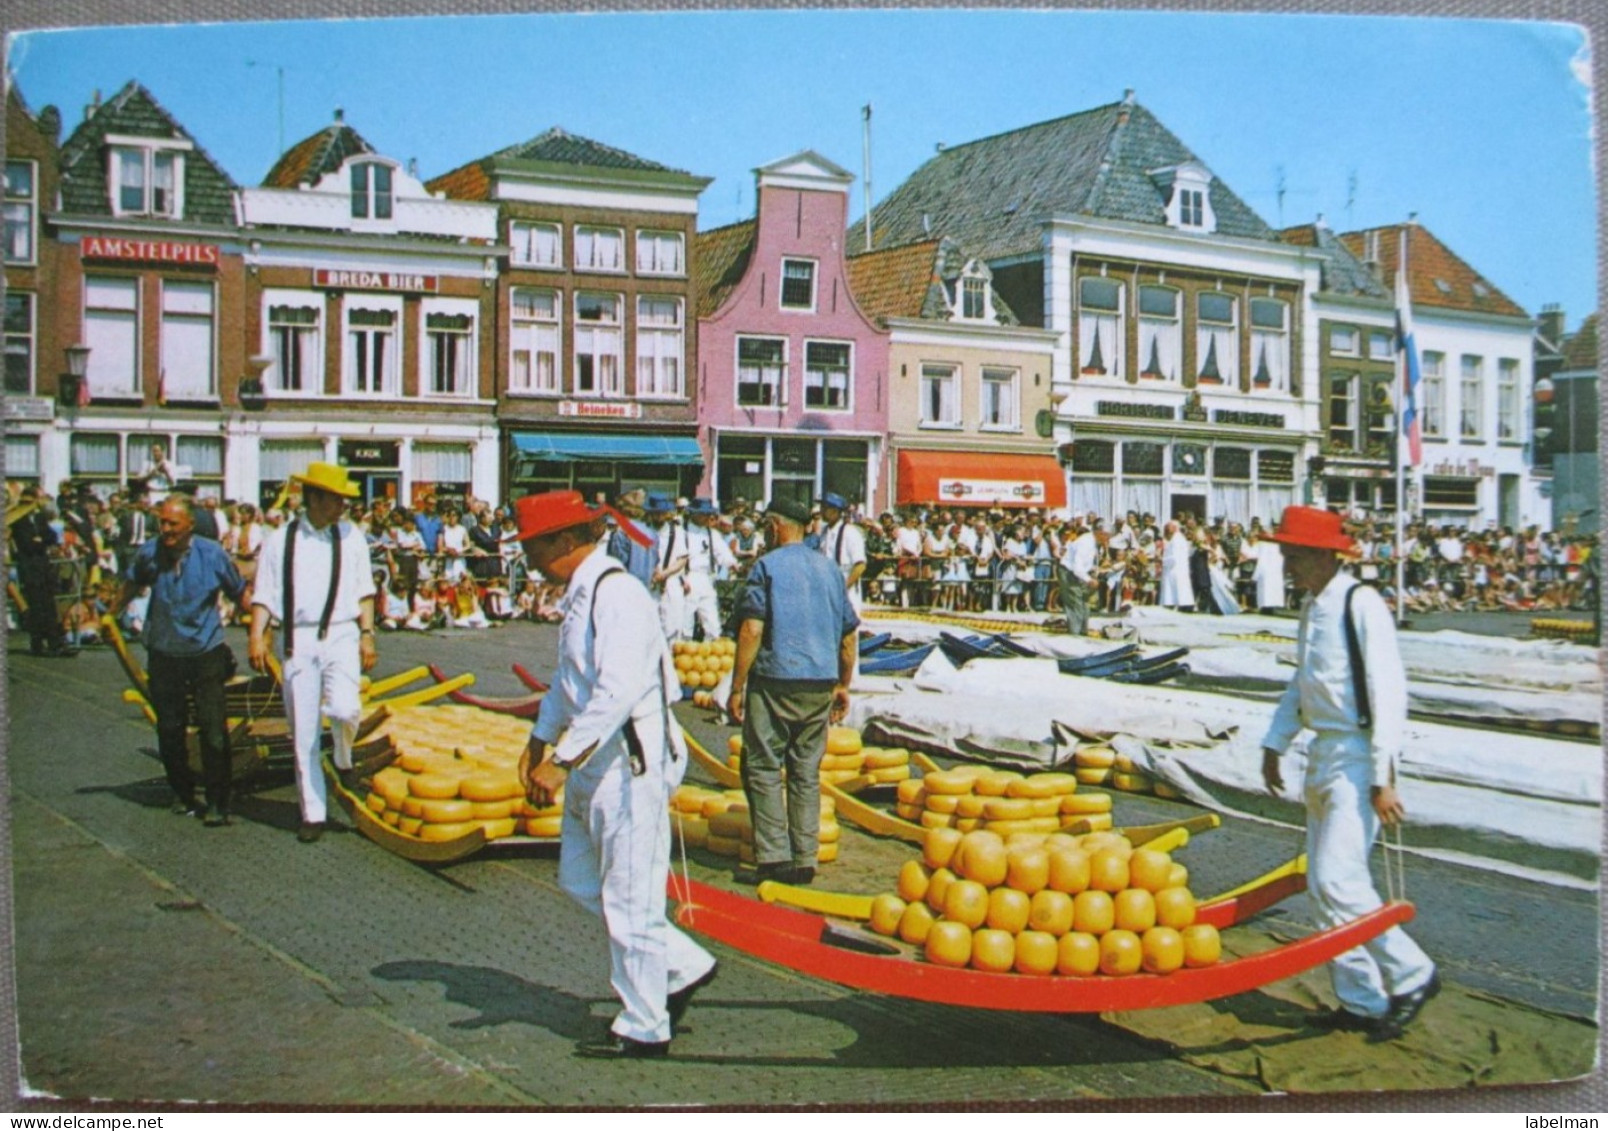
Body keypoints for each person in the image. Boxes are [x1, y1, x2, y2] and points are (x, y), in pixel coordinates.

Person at [515, 490, 716, 1059]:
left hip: (629, 764)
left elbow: (616, 692)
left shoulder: (618, 593)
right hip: (593, 761)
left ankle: (645, 1024)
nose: (527, 556)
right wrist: (538, 739)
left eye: (532, 545)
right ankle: (681, 965)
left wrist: (559, 761)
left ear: (563, 542)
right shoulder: (580, 595)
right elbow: (568, 680)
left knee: (630, 898)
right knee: (581, 881)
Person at [1260, 505, 1439, 1042]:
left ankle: (1413, 973)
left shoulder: (1361, 605)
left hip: (1359, 754)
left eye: (1293, 557)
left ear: (1321, 556)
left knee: (1341, 880)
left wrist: (1383, 776)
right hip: (1323, 752)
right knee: (1324, 887)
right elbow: (1304, 682)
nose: (1287, 567)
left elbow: (1388, 691)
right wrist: (1276, 742)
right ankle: (1361, 998)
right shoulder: (1312, 607)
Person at [726, 496, 859, 887]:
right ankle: (805, 857)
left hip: (774, 680)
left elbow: (751, 630)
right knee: (805, 770)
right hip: (819, 681)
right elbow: (849, 636)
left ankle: (773, 858)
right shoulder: (831, 571)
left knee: (764, 765)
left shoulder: (765, 566)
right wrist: (842, 684)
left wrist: (736, 686)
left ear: (773, 526)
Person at [248, 462, 378, 843]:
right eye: (338, 499)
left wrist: (368, 634)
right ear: (316, 498)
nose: (344, 506)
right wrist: (258, 635)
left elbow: (364, 590)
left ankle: (342, 756)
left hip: (341, 633)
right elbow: (264, 594)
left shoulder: (351, 536)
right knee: (303, 731)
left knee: (345, 708)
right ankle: (313, 812)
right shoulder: (280, 539)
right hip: (298, 640)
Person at [114, 495, 247, 825]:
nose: (166, 529)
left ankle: (217, 802)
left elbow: (239, 591)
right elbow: (132, 583)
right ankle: (183, 793)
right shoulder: (150, 552)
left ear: (190, 524)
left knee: (213, 730)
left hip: (205, 652)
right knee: (170, 728)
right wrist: (110, 612)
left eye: (173, 523)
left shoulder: (212, 554)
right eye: (162, 522)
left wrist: (259, 630)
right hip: (164, 652)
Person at [10, 487, 75, 658]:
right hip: (30, 568)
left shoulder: (39, 519)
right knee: (37, 606)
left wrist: (41, 540)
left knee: (49, 606)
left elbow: (52, 537)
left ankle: (54, 643)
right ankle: (38, 643)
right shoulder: (19, 521)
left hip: (44, 567)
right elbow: (27, 545)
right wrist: (40, 542)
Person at [681, 498, 736, 641]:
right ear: (693, 514)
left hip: (706, 578)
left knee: (712, 622)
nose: (707, 518)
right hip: (688, 576)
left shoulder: (712, 534)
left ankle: (710, 652)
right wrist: (681, 579)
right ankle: (682, 653)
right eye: (703, 514)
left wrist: (733, 564)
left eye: (708, 514)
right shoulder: (682, 531)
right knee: (685, 622)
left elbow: (723, 553)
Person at [644, 493, 689, 643]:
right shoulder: (643, 530)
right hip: (648, 583)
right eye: (655, 513)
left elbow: (682, 559)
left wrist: (665, 574)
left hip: (670, 582)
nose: (658, 516)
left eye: (661, 513)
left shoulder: (676, 532)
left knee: (672, 626)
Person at [815, 492, 867, 614]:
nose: (822, 511)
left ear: (835, 511)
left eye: (825, 508)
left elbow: (860, 565)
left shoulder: (850, 533)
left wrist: (843, 588)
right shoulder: (824, 533)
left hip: (846, 590)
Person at [1058, 517, 1097, 635]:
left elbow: (1086, 563)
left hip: (1080, 573)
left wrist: (1090, 573)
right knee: (1075, 602)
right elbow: (1077, 567)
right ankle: (1075, 634)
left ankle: (1083, 631)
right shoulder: (1085, 543)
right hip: (1070, 572)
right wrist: (1089, 580)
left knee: (1084, 601)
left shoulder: (1092, 541)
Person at [1158, 520, 1195, 611]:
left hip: (1175, 569)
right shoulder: (1175, 539)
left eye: (1168, 528)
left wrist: (1161, 560)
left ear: (1174, 528)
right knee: (1174, 590)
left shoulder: (1177, 540)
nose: (1165, 530)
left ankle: (1181, 606)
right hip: (1173, 569)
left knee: (1177, 589)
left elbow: (1175, 557)